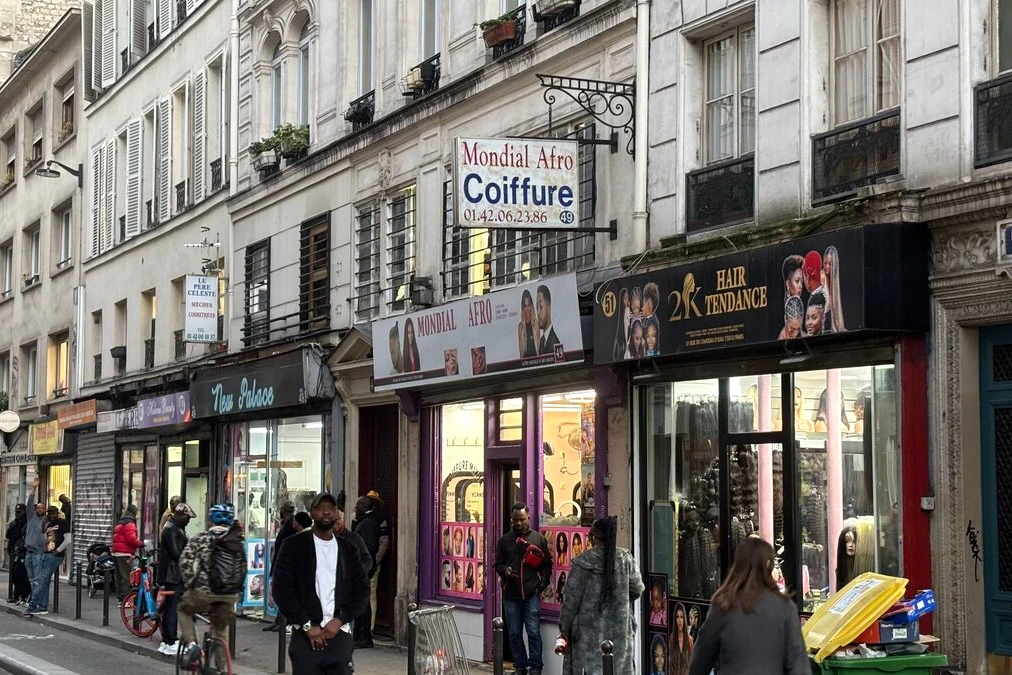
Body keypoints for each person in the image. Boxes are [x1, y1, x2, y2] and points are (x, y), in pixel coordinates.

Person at [272, 493, 369, 675]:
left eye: (330, 509)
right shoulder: (294, 545)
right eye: (320, 508)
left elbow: (361, 590)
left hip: (339, 635)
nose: (326, 513)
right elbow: (282, 590)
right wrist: (307, 625)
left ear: (337, 514)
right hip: (305, 637)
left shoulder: (348, 549)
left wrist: (340, 620)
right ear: (311, 513)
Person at [687, 538, 810, 675]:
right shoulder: (785, 607)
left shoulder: (723, 606)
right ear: (768, 564)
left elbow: (700, 661)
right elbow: (798, 665)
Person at [558, 516, 644, 675]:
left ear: (594, 537)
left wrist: (564, 629)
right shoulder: (625, 559)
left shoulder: (582, 563)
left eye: (590, 535)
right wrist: (621, 598)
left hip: (587, 639)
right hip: (620, 636)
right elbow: (637, 588)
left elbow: (570, 603)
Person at [178, 504, 246, 669]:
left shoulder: (201, 538)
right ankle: (221, 668)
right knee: (221, 628)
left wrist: (189, 584)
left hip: (203, 592)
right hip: (229, 595)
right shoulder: (236, 541)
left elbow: (185, 563)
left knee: (183, 610)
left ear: (210, 520)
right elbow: (243, 568)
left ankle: (192, 645)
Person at [494, 502, 552, 675]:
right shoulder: (504, 541)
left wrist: (541, 585)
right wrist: (506, 571)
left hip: (531, 593)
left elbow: (547, 565)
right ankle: (520, 667)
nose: (518, 523)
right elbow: (497, 564)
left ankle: (535, 669)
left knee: (533, 632)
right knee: (514, 633)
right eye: (514, 520)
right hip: (511, 595)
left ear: (528, 517)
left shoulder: (538, 538)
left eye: (521, 520)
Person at [157, 502, 195, 655]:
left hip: (173, 574)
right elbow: (176, 552)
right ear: (182, 516)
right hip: (173, 575)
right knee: (172, 608)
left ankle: (168, 640)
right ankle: (170, 640)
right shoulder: (171, 529)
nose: (189, 521)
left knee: (171, 607)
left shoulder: (174, 527)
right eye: (188, 518)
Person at [27, 506, 71, 616]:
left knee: (42, 580)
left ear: (57, 513)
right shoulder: (48, 525)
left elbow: (68, 540)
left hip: (55, 555)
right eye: (50, 513)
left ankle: (34, 605)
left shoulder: (62, 522)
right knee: (43, 580)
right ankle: (42, 606)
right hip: (46, 553)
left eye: (54, 513)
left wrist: (58, 550)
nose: (52, 515)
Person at [351, 494, 383, 648]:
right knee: (360, 602)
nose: (355, 509)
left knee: (364, 603)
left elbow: (369, 549)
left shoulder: (368, 524)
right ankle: (359, 634)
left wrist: (364, 568)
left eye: (357, 506)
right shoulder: (364, 522)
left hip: (364, 569)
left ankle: (364, 635)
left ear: (363, 507)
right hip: (360, 568)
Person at [264, 502, 298, 632]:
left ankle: (283, 620)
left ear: (284, 512)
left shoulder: (291, 525)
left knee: (283, 593)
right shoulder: (286, 524)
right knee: (279, 592)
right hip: (280, 561)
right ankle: (278, 619)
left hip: (285, 563)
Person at [364, 490, 391, 633]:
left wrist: (375, 561)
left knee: (370, 594)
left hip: (371, 562)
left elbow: (384, 542)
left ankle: (370, 626)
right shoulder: (361, 518)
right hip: (363, 562)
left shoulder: (380, 519)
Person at [112, 505, 144, 601]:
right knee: (127, 577)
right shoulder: (130, 523)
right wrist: (140, 544)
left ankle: (120, 597)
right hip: (124, 553)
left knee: (119, 577)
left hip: (117, 552)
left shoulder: (121, 521)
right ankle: (125, 599)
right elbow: (131, 538)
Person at [5, 504, 30, 604]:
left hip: (22, 552)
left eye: (19, 512)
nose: (17, 514)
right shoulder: (15, 523)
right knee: (15, 575)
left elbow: (24, 538)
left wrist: (19, 548)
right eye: (16, 512)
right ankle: (17, 595)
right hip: (14, 552)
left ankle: (23, 595)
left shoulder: (26, 523)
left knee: (22, 575)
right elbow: (8, 535)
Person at [669, 602, 694, 675]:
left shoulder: (689, 640)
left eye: (681, 617)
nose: (679, 621)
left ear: (685, 619)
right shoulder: (672, 638)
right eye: (677, 617)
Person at [518, 289, 541, 358]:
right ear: (523, 308)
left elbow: (538, 349)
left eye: (528, 305)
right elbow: (521, 351)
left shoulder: (536, 324)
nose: (527, 309)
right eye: (525, 306)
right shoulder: (520, 327)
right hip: (525, 362)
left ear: (531, 306)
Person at [536, 285, 559, 355]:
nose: (538, 313)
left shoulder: (555, 343)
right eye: (537, 307)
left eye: (541, 307)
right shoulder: (542, 340)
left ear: (549, 308)